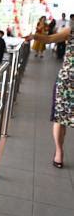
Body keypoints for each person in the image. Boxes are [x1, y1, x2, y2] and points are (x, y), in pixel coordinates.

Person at [25, 20, 73, 168]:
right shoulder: (71, 30)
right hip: (67, 82)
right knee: (60, 118)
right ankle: (59, 151)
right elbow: (51, 39)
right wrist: (35, 36)